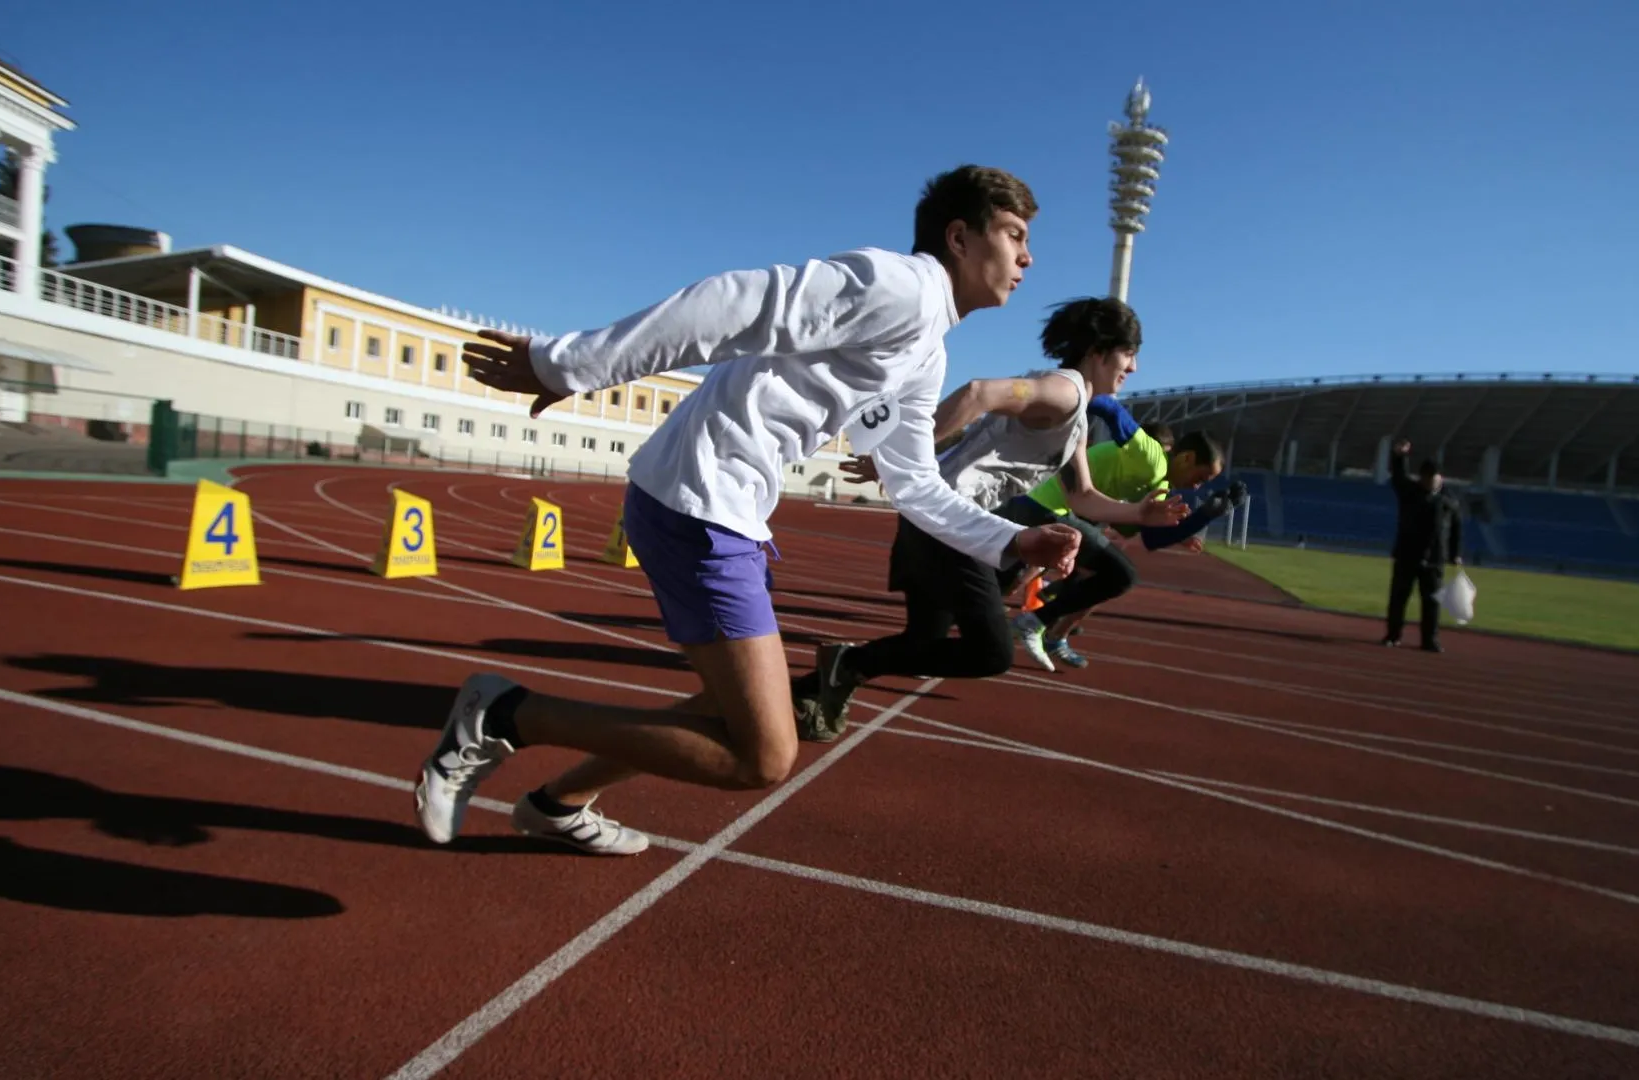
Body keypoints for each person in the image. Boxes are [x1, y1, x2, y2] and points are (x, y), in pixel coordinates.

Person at [410, 165, 1083, 856]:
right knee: (762, 756)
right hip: (699, 500)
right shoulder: (902, 287)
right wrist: (570, 365)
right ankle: (506, 714)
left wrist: (1012, 540)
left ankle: (559, 803)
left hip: (728, 507)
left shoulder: (927, 349)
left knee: (725, 705)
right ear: (960, 237)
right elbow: (734, 303)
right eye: (1014, 235)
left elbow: (910, 479)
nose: (1027, 257)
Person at [790, 297, 1189, 740]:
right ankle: (847, 667)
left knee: (924, 640)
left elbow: (1083, 497)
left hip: (933, 517)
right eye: (1128, 353)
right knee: (990, 653)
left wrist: (1140, 513)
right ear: (1098, 351)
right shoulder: (1065, 391)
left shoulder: (1073, 412)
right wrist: (903, 455)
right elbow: (979, 392)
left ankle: (809, 688)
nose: (1132, 366)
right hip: (950, 521)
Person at [1009, 423, 1240, 669]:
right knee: (1116, 574)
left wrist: (1202, 517)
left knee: (1011, 579)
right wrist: (1079, 400)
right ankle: (1039, 620)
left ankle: (1038, 618)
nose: (1198, 486)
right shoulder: (1152, 459)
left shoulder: (1158, 482)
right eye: (1201, 477)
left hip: (1052, 509)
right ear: (1186, 458)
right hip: (1045, 507)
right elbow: (1110, 408)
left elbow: (1148, 535)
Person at [1383, 438, 1463, 652]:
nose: (1429, 483)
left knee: (1431, 603)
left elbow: (1456, 528)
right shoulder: (1409, 492)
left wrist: (1455, 553)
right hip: (1407, 555)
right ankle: (1393, 635)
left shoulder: (1449, 501)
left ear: (1441, 479)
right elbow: (1398, 477)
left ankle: (1430, 640)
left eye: (1433, 480)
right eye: (1426, 479)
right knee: (1398, 598)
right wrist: (1399, 457)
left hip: (1435, 559)